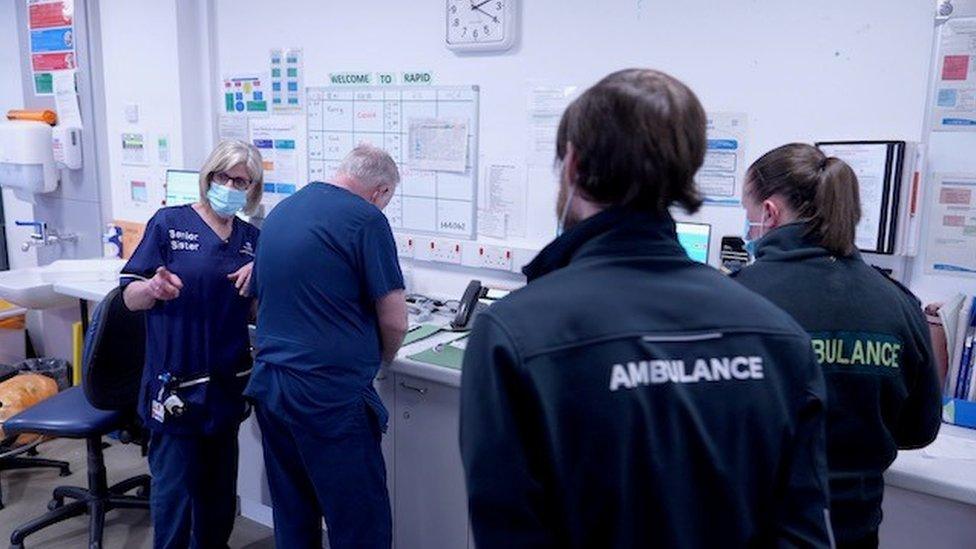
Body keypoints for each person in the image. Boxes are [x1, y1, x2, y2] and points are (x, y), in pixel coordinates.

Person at [458, 69, 834, 548]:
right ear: (685, 172)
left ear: (572, 165)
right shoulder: (780, 336)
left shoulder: (513, 333)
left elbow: (508, 533)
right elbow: (803, 532)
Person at [733, 143, 942, 548]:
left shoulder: (735, 298)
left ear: (769, 213)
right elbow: (919, 429)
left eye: (748, 211)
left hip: (761, 531)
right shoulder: (897, 303)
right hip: (855, 532)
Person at [246, 144, 408, 548]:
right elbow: (394, 320)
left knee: (294, 510)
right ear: (381, 192)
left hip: (271, 387)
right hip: (328, 398)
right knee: (359, 521)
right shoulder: (366, 219)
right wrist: (382, 361)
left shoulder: (284, 210)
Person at [120, 139, 263, 549]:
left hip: (226, 382)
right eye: (224, 176)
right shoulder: (169, 223)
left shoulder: (252, 239)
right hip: (176, 385)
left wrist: (260, 278)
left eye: (242, 181)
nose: (231, 186)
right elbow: (129, 298)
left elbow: (254, 312)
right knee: (175, 496)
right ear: (209, 176)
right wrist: (153, 288)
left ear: (251, 190)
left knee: (219, 497)